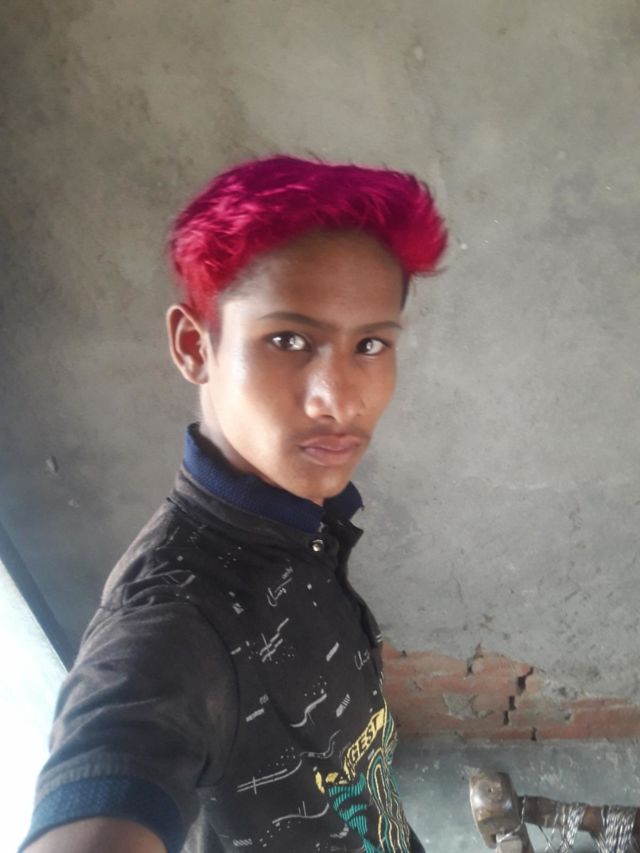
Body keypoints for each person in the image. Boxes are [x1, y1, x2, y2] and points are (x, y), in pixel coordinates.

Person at [21, 155, 447, 853]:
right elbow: (115, 763)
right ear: (195, 346)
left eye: (370, 344)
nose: (339, 399)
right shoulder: (172, 621)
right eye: (289, 340)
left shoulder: (305, 519)